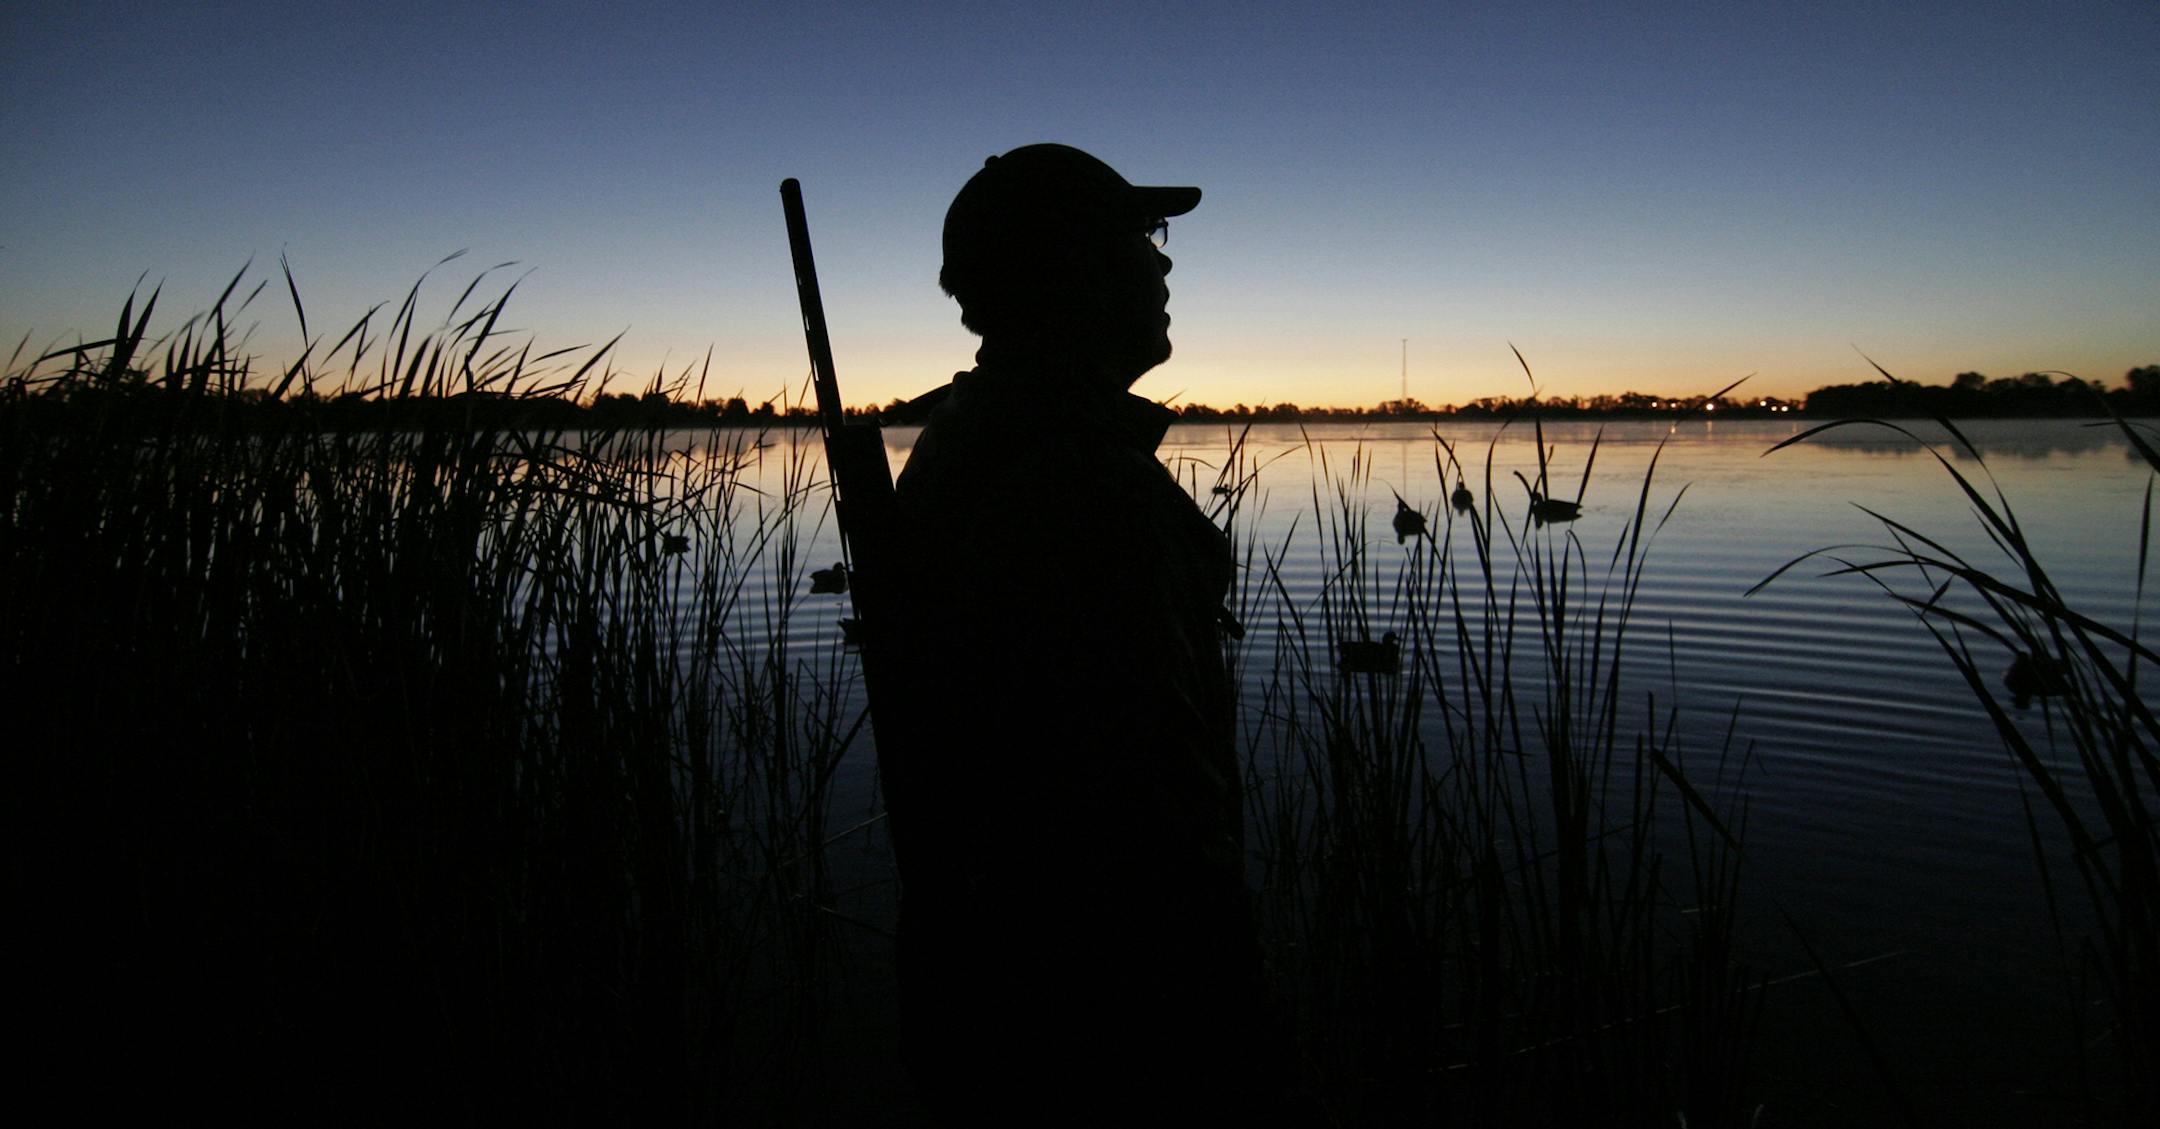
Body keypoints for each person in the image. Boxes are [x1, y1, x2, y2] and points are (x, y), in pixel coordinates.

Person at [879, 144, 1270, 1123]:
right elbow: (1141, 810)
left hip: (1005, 1000)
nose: (1164, 264)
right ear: (1074, 269)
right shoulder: (1076, 483)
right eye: (1144, 237)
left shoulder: (982, 440)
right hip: (1105, 1024)